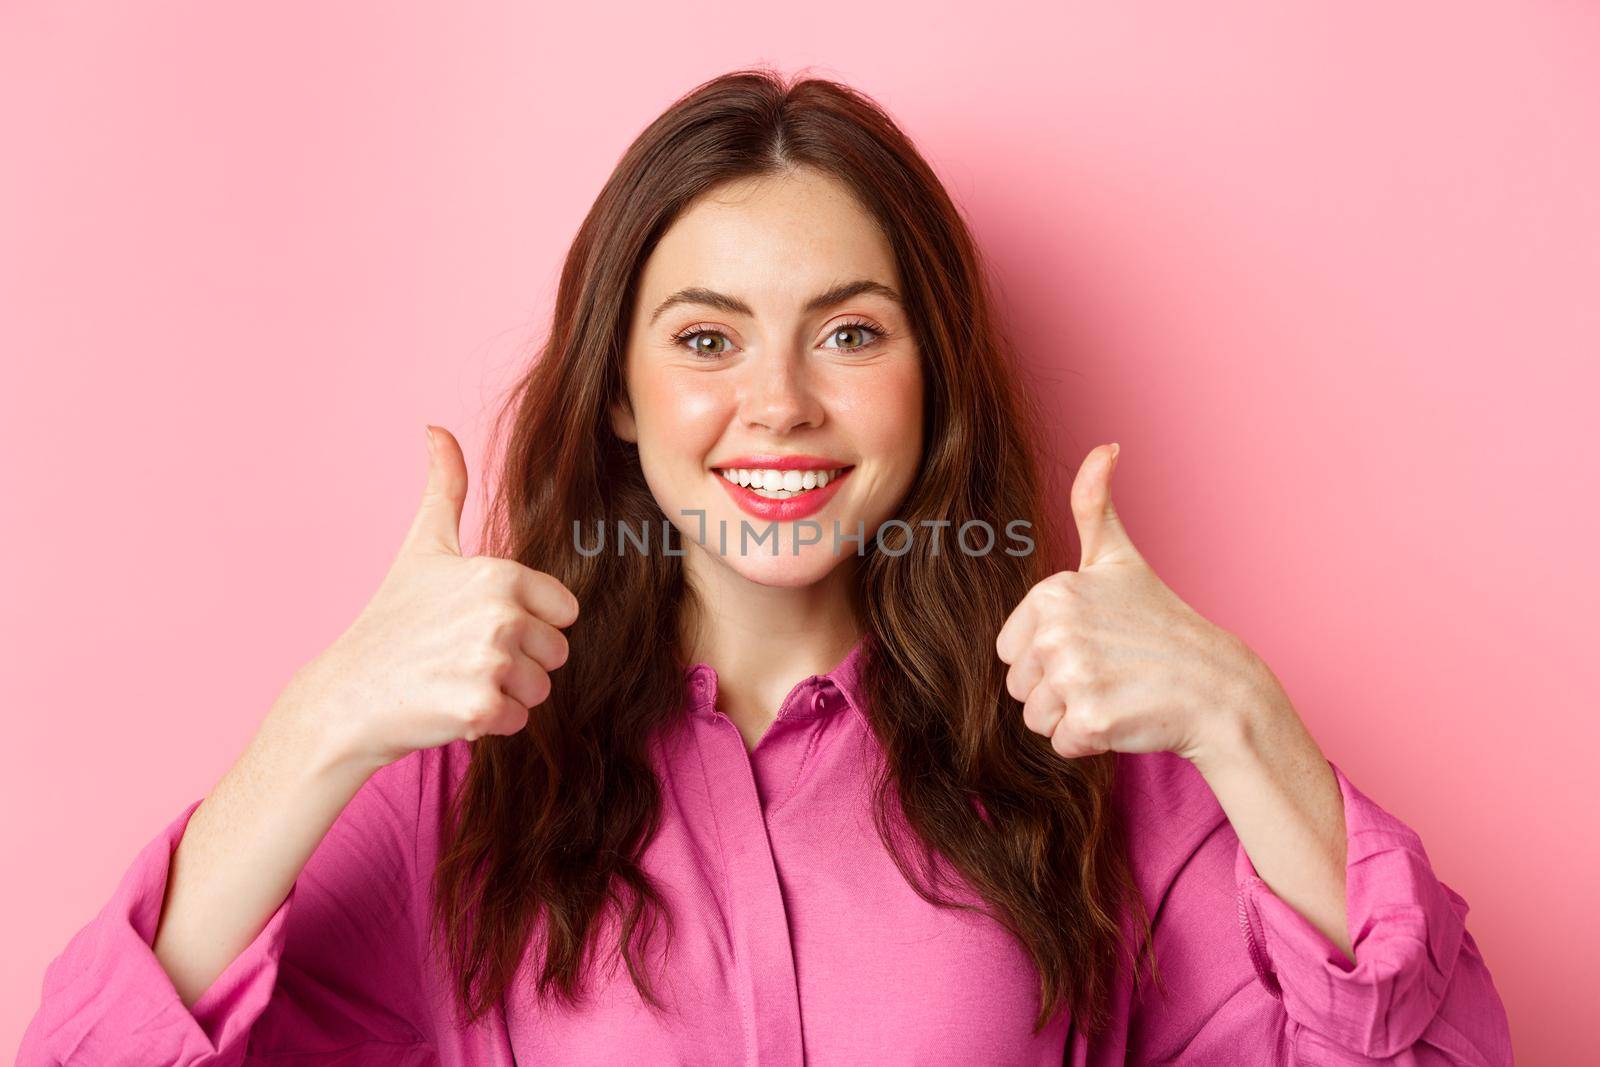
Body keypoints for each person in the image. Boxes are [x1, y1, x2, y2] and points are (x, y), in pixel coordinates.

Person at [19, 68, 1513, 1066]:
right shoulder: (456, 784)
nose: (781, 399)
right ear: (618, 389)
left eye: (851, 333)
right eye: (707, 338)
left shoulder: (1091, 756)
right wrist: (316, 728)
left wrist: (1249, 729)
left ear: (933, 382)